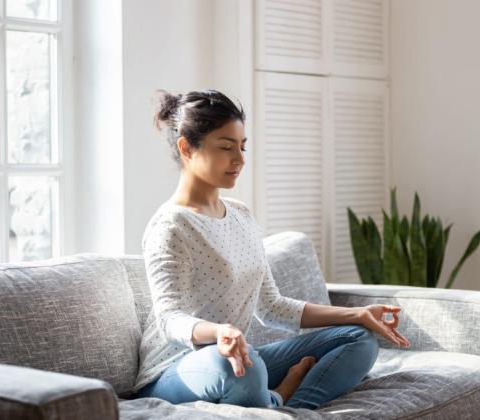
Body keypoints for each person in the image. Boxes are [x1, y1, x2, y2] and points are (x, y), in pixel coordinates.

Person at [133, 89, 411, 410]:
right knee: (239, 367)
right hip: (175, 370)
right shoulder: (171, 226)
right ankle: (277, 398)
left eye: (242, 146)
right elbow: (169, 319)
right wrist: (219, 332)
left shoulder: (241, 215)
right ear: (186, 148)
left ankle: (291, 409)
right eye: (226, 147)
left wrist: (358, 314)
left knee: (358, 338)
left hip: (241, 358)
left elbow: (271, 306)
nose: (239, 159)